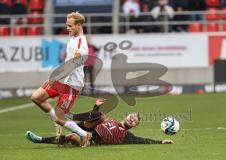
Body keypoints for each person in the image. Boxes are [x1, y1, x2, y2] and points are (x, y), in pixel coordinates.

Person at [31, 11, 91, 147]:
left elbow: (71, 67)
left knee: (59, 118)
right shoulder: (74, 37)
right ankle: (57, 121)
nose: (67, 28)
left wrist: (54, 78)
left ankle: (85, 134)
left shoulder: (81, 45)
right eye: (67, 25)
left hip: (71, 84)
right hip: (62, 80)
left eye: (70, 26)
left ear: (79, 25)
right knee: (37, 97)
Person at [26, 99, 173, 146]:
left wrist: (160, 142)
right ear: (127, 115)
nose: (132, 118)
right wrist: (96, 106)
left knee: (71, 137)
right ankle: (72, 118)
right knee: (101, 115)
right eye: (132, 116)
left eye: (134, 120)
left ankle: (39, 140)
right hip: (86, 126)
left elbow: (143, 141)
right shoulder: (112, 120)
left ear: (134, 125)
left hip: (92, 139)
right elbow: (95, 116)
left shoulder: (126, 135)